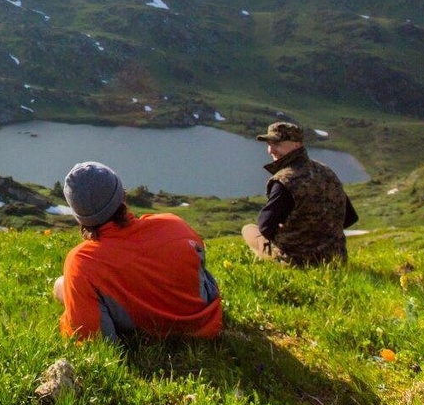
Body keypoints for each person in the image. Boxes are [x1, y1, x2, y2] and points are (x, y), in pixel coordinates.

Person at [53, 161, 222, 343]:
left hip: (153, 338)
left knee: (61, 285)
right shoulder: (175, 225)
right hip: (206, 325)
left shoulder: (83, 261)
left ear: (80, 217)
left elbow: (91, 338)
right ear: (122, 196)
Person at [242, 121, 358, 267]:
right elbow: (350, 218)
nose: (271, 150)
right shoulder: (326, 171)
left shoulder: (285, 180)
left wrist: (293, 236)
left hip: (297, 261)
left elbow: (265, 227)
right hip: (335, 259)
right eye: (269, 144)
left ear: (297, 145)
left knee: (249, 229)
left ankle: (267, 260)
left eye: (277, 144)